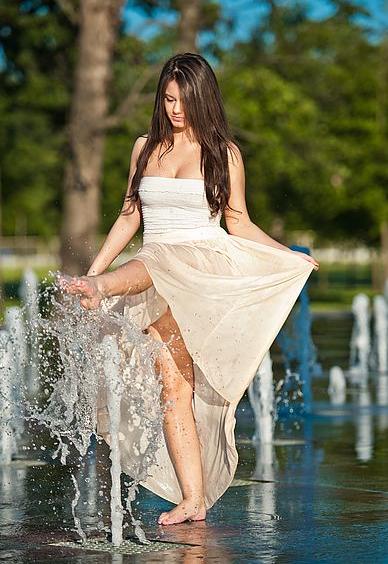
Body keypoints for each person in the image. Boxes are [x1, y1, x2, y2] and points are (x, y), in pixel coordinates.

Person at [59, 52, 319, 526]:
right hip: (151, 277)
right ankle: (193, 499)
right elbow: (129, 215)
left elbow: (238, 222)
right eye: (168, 99)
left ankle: (101, 286)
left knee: (160, 260)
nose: (175, 109)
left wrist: (288, 255)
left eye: (183, 100)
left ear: (203, 98)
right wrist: (96, 265)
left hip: (198, 272)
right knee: (174, 388)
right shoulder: (145, 148)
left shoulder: (224, 153)